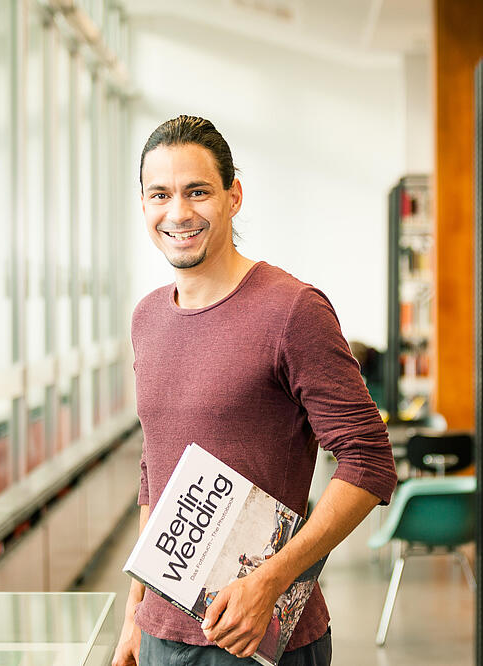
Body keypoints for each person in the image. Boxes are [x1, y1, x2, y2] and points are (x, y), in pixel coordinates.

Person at [113, 115, 398, 666]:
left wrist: (269, 581)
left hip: (260, 638)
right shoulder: (147, 317)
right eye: (160, 194)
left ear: (233, 196)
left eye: (198, 192)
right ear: (144, 204)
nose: (178, 212)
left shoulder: (292, 310)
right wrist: (135, 613)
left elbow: (370, 460)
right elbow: (156, 469)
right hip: (159, 637)